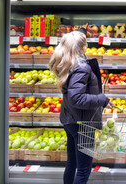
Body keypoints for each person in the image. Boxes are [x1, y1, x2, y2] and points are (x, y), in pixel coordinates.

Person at [49, 31, 112, 184]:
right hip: (82, 123)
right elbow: (76, 98)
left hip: (70, 119)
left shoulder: (67, 63)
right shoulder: (81, 67)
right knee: (83, 169)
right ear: (83, 48)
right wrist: (101, 99)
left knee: (72, 163)